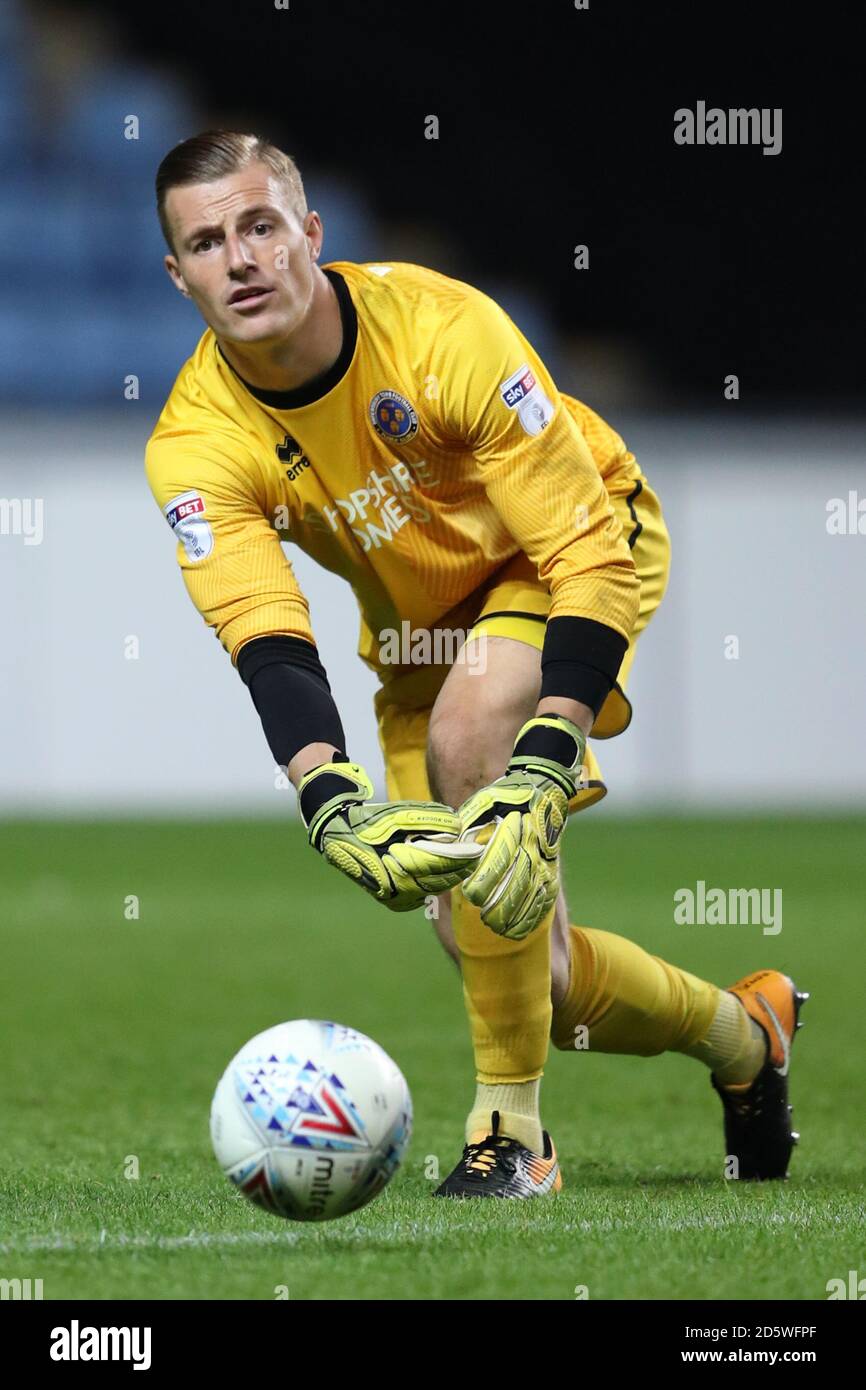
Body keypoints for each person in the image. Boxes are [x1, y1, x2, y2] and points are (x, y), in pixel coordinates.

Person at [146, 130, 806, 1199]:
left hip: (576, 542)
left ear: (310, 234)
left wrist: (547, 745)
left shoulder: (443, 330)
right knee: (521, 958)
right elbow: (263, 629)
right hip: (420, 639)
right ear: (180, 277)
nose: (242, 258)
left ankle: (511, 1135)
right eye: (209, 242)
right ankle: (744, 1037)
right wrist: (324, 793)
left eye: (261, 226)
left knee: (471, 740)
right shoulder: (192, 441)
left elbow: (583, 551)